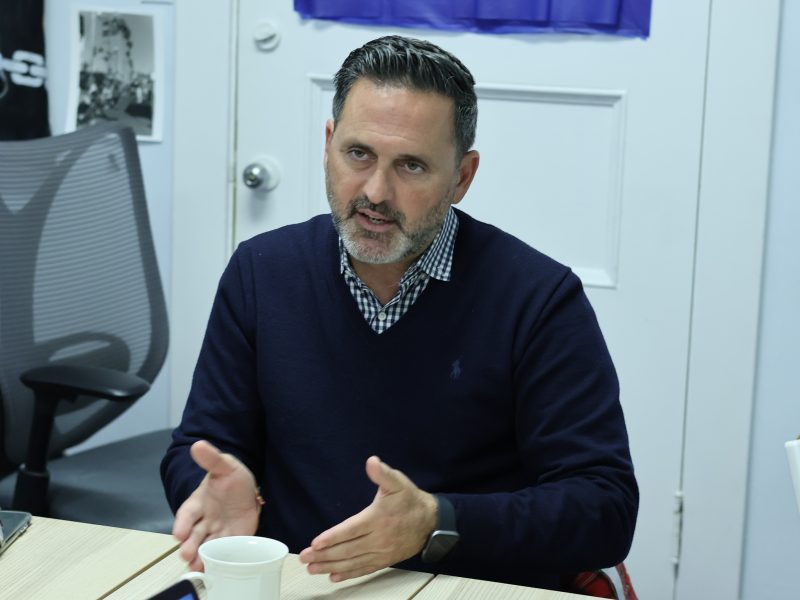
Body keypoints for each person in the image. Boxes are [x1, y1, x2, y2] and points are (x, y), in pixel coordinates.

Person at [161, 35, 638, 591]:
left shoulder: (538, 298)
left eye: (411, 165)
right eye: (358, 154)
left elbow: (603, 506)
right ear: (328, 143)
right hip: (305, 583)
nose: (376, 192)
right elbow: (198, 450)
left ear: (462, 177)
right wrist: (217, 487)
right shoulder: (262, 272)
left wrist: (437, 523)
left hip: (467, 585)